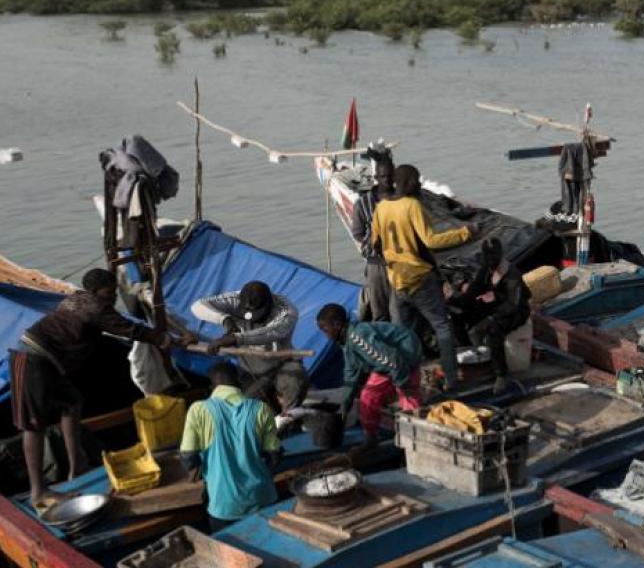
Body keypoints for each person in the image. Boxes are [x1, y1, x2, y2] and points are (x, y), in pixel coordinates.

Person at [10, 269, 186, 507]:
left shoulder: (77, 298)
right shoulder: (97, 307)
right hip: (32, 359)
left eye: (114, 291)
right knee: (33, 425)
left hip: (49, 362)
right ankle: (39, 491)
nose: (113, 296)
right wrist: (166, 339)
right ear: (94, 292)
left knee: (72, 403)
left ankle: (77, 466)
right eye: (108, 292)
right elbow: (130, 329)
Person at [372, 163, 473, 393]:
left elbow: (375, 244)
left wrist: (392, 262)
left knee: (401, 334)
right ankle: (451, 379)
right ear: (407, 183)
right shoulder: (413, 205)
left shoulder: (382, 208)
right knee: (442, 327)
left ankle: (403, 382)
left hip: (397, 282)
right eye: (416, 180)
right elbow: (431, 241)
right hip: (420, 280)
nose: (419, 184)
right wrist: (466, 232)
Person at [178, 362, 281, 530]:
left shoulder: (198, 410)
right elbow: (275, 455)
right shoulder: (261, 409)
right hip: (262, 498)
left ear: (212, 386)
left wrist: (202, 472)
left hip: (224, 505)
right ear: (239, 381)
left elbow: (188, 457)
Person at [316, 303, 423, 449]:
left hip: (406, 352)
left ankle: (416, 440)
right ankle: (370, 439)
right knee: (367, 397)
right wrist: (345, 406)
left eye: (325, 330)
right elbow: (350, 374)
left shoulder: (359, 338)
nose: (326, 335)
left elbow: (394, 360)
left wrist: (402, 384)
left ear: (337, 324)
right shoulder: (346, 343)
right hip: (387, 363)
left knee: (408, 397)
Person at [192, 281, 308, 413]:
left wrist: (235, 338)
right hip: (251, 368)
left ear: (270, 303)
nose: (253, 319)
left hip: (282, 363)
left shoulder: (287, 310)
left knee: (294, 378)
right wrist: (225, 320)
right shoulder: (235, 299)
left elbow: (270, 333)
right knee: (248, 405)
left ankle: (288, 419)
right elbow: (198, 306)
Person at [446, 238, 532, 394]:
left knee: (494, 328)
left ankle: (501, 374)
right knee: (458, 315)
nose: (490, 260)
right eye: (488, 256)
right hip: (494, 304)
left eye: (493, 256)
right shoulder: (485, 271)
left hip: (516, 310)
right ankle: (471, 355)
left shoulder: (511, 274)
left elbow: (514, 304)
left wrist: (496, 299)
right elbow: (471, 295)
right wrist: (451, 299)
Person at [350, 150, 395, 322]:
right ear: (376, 177)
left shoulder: (401, 200)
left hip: (400, 263)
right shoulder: (363, 203)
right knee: (380, 310)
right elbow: (358, 232)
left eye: (390, 176)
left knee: (400, 310)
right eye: (383, 176)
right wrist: (372, 243)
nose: (387, 180)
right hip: (376, 264)